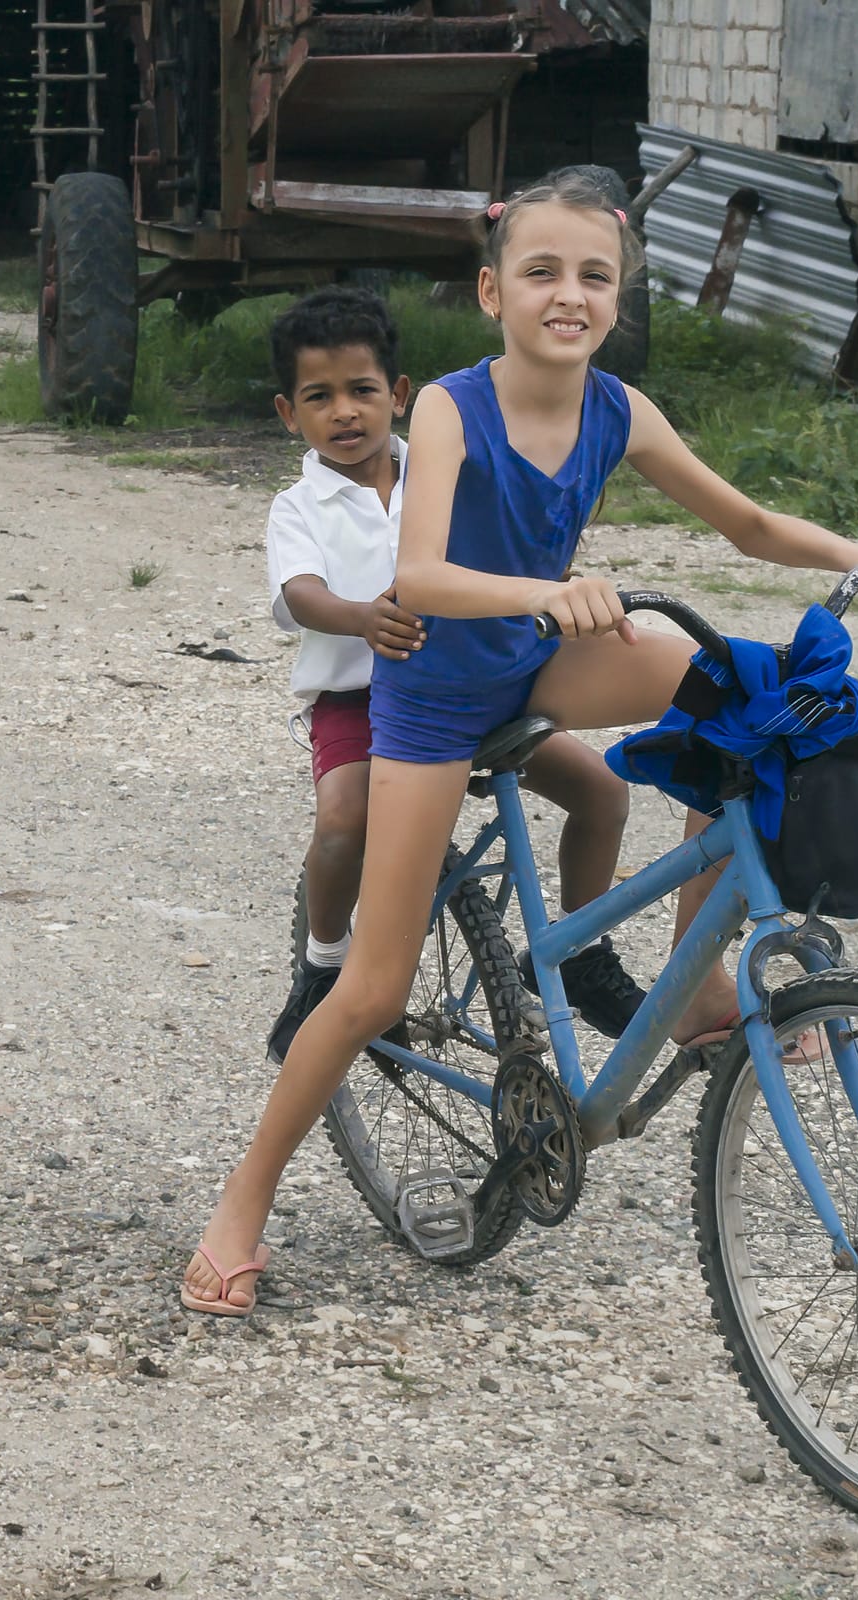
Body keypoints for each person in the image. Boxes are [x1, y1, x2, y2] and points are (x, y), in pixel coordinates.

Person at [182, 173, 858, 1315]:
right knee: (375, 983)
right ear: (491, 292)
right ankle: (240, 1202)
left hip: (535, 656)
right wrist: (549, 590)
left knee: (757, 699)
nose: (566, 295)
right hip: (433, 696)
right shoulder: (445, 407)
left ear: (618, 296)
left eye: (592, 276)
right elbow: (418, 574)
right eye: (540, 272)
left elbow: (743, 521)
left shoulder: (618, 410)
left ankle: (695, 986)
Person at [259, 285, 646, 1070]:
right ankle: (323, 964)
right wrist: (360, 616)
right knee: (342, 821)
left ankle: (578, 953)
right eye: (319, 398)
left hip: (473, 685)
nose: (345, 412)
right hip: (359, 700)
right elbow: (298, 593)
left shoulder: (443, 464)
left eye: (363, 391)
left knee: (603, 791)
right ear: (287, 414)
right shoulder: (300, 505)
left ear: (398, 396)